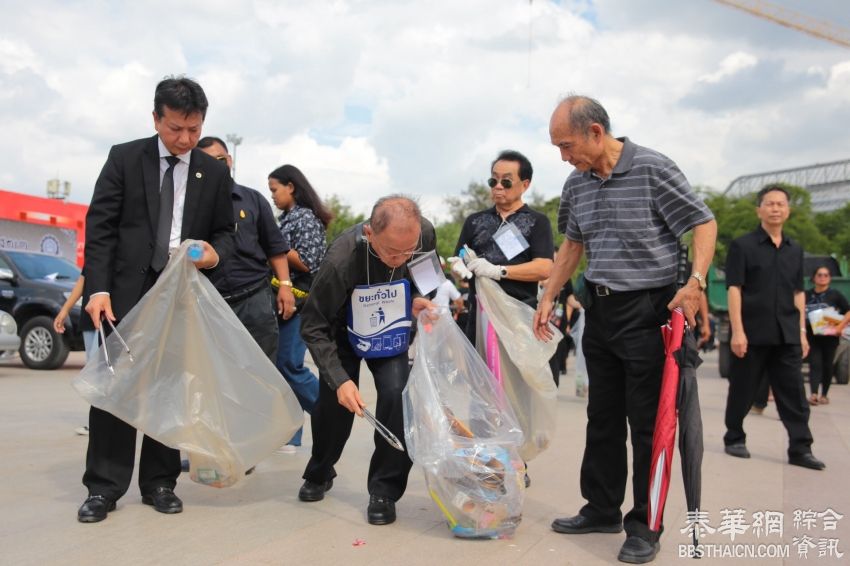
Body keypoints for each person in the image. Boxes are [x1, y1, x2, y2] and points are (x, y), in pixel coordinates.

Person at [533, 95, 716, 564]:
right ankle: (600, 508)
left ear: (595, 132)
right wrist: (550, 294)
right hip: (601, 310)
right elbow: (572, 245)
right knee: (603, 418)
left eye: (566, 144)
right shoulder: (577, 184)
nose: (563, 156)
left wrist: (696, 282)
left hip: (649, 311)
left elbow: (703, 223)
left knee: (648, 424)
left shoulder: (653, 168)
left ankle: (645, 525)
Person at [79, 76, 235, 523]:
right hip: (124, 295)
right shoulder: (125, 158)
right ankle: (104, 487)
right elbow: (102, 227)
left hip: (179, 295)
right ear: (156, 118)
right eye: (175, 129)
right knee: (115, 392)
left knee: (171, 390)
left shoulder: (214, 171)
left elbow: (226, 231)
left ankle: (160, 482)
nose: (185, 139)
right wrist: (98, 289)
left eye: (194, 129)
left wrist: (213, 252)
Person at [297, 196, 436, 526]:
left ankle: (384, 490)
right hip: (342, 330)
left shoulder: (425, 234)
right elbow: (313, 324)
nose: (401, 259)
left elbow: (429, 282)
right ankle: (320, 471)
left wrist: (421, 300)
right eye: (392, 253)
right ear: (370, 233)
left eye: (408, 251)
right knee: (335, 407)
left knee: (396, 394)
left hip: (391, 327)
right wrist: (340, 379)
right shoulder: (341, 260)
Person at [723, 184, 825, 471]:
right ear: (759, 210)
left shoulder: (795, 249)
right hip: (752, 333)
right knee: (742, 388)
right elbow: (734, 289)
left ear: (788, 210)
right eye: (770, 204)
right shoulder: (743, 246)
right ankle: (734, 437)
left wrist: (802, 332)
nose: (776, 208)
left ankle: (800, 448)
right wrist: (738, 331)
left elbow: (798, 293)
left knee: (794, 393)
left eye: (781, 204)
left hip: (787, 333)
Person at [198, 137, 295, 363]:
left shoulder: (252, 199)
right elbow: (187, 252)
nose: (216, 165)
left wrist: (285, 286)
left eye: (220, 159)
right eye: (207, 162)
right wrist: (195, 256)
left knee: (263, 371)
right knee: (219, 375)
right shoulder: (192, 207)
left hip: (255, 300)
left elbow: (275, 248)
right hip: (213, 304)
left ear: (229, 160)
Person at [452, 149, 554, 340]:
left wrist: (499, 271)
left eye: (506, 182)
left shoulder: (537, 221)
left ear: (525, 185)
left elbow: (544, 268)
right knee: (481, 369)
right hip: (481, 315)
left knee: (517, 369)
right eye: (493, 181)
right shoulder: (474, 221)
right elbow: (459, 257)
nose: (498, 187)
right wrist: (458, 267)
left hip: (519, 316)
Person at [267, 164, 332, 452]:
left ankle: (330, 413)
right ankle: (292, 434)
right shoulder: (288, 218)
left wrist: (273, 245)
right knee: (282, 369)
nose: (272, 196)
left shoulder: (305, 218)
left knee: (289, 365)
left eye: (275, 189)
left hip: (302, 300)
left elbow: (308, 261)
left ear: (290, 186)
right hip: (285, 300)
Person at [54, 273, 95, 435]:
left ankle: (102, 425)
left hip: (112, 318)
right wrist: (65, 310)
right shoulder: (98, 252)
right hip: (93, 318)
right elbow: (85, 277)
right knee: (95, 376)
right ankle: (96, 423)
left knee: (104, 376)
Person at [804, 265, 850, 405]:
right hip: (812, 335)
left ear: (829, 278)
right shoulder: (807, 294)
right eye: (819, 275)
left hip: (830, 336)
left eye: (825, 275)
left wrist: (840, 327)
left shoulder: (835, 294)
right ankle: (813, 393)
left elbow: (848, 311)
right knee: (815, 363)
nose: (822, 277)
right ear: (814, 278)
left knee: (827, 365)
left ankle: (824, 394)